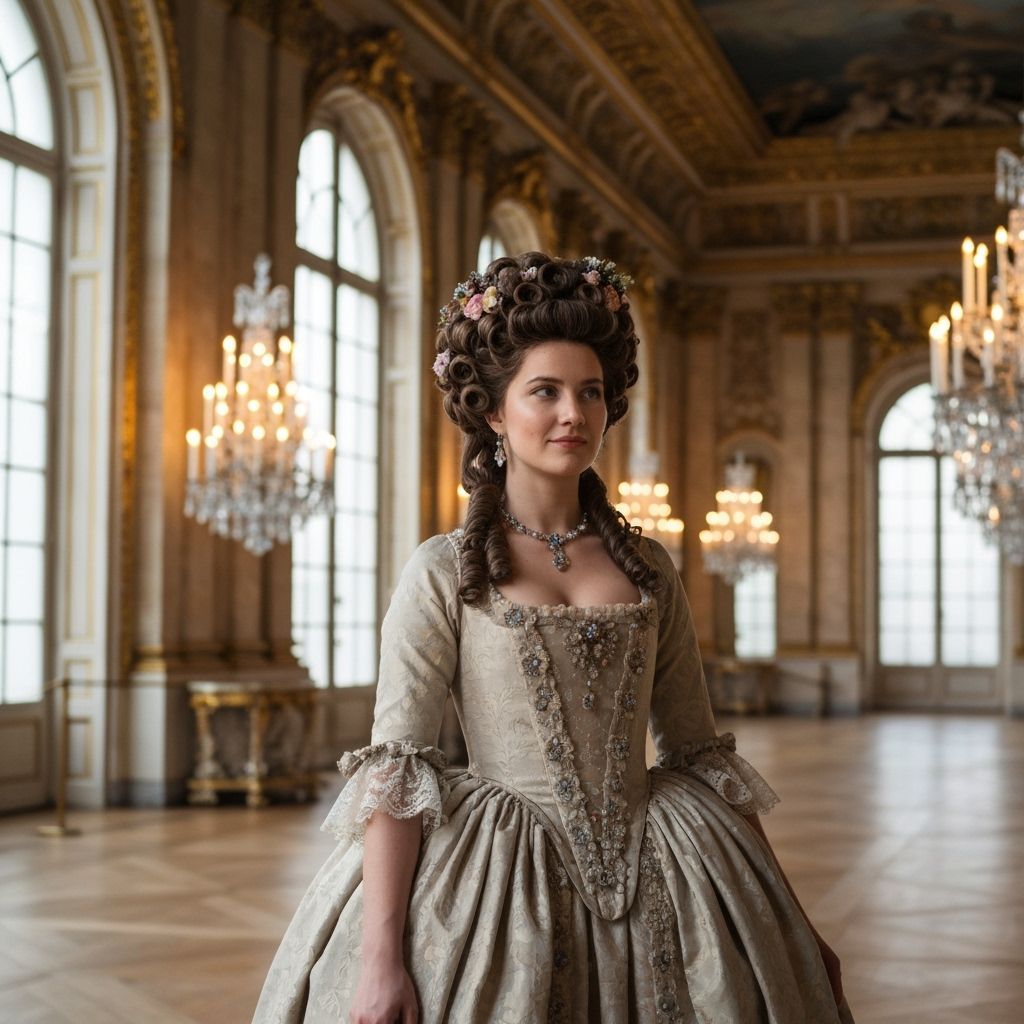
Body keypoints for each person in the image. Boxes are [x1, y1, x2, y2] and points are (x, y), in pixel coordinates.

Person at [252, 252, 855, 1023]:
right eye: (545, 391)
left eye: (591, 392)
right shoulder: (440, 571)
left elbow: (702, 757)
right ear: (495, 412)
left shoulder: (651, 568)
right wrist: (381, 959)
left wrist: (793, 926)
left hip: (668, 864)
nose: (574, 413)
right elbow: (398, 772)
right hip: (495, 879)